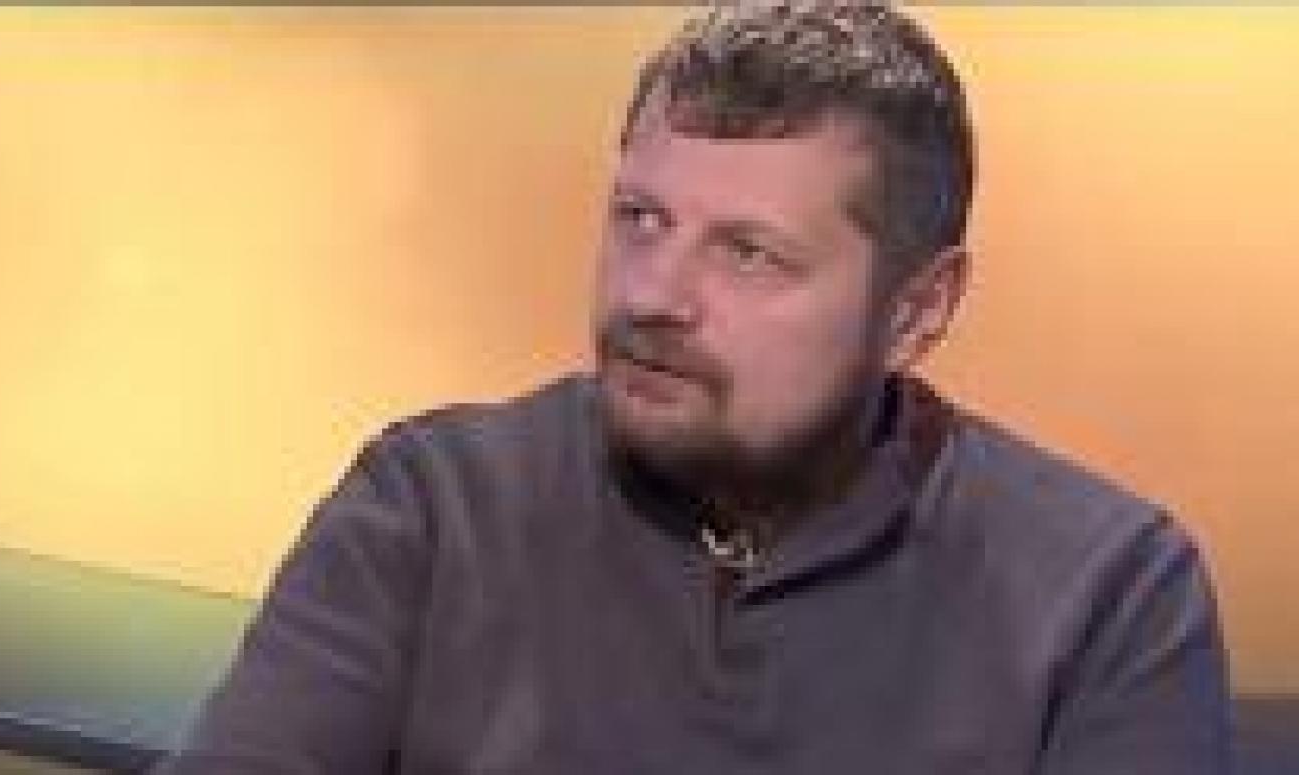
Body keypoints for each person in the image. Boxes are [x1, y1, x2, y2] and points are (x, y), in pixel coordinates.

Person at [156, 2, 1233, 772]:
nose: (653, 294)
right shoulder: (434, 506)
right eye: (641, 219)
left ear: (917, 310)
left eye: (747, 253)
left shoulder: (1106, 594)